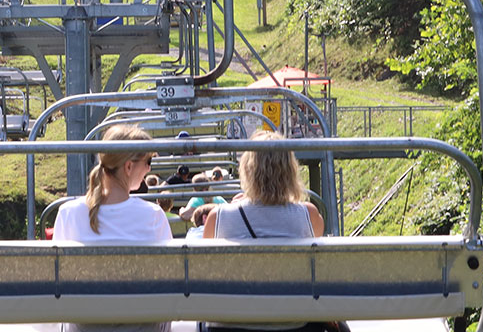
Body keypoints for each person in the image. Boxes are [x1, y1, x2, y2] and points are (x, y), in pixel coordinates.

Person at [202, 130, 329, 332]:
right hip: (291, 323)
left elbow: (205, 271)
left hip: (229, 324)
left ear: (247, 169)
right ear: (290, 170)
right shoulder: (309, 215)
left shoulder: (219, 217)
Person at [52, 124, 173, 332]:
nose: (149, 169)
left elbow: (56, 280)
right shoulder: (152, 215)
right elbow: (170, 278)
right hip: (142, 325)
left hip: (85, 326)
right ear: (128, 167)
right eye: (148, 162)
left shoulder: (68, 213)